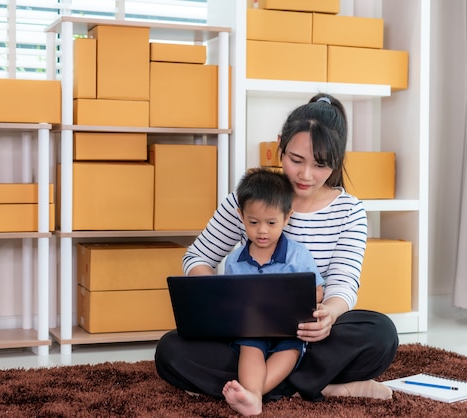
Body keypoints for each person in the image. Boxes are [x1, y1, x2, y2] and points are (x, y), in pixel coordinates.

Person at [155, 93, 399, 404]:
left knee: (380, 333)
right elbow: (198, 257)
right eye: (296, 160)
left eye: (320, 165)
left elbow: (343, 285)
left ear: (336, 160)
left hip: (308, 336)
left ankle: (254, 387)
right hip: (246, 335)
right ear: (280, 144)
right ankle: (316, 386)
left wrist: (329, 316)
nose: (305, 175)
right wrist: (223, 302)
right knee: (171, 351)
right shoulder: (251, 198)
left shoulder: (350, 211)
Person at [221, 167, 324, 416]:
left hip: (289, 328)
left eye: (271, 223)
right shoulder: (234, 261)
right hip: (253, 328)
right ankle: (255, 396)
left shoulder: (297, 254)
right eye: (253, 222)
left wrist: (295, 301)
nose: (262, 231)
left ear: (287, 218)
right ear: (241, 216)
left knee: (290, 349)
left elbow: (318, 292)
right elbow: (229, 299)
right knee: (250, 347)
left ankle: (253, 395)